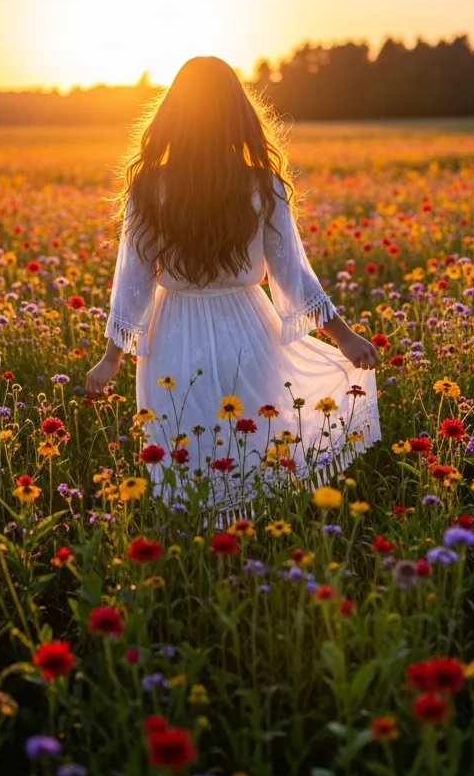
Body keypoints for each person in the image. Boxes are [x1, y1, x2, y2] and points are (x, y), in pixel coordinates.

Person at [86, 56, 380, 515]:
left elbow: (134, 279)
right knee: (255, 449)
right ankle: (252, 554)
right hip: (248, 330)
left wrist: (110, 359)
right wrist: (344, 336)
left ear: (174, 115)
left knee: (186, 456)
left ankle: (198, 560)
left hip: (172, 338)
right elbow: (292, 275)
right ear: (238, 113)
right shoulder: (262, 183)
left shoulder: (148, 187)